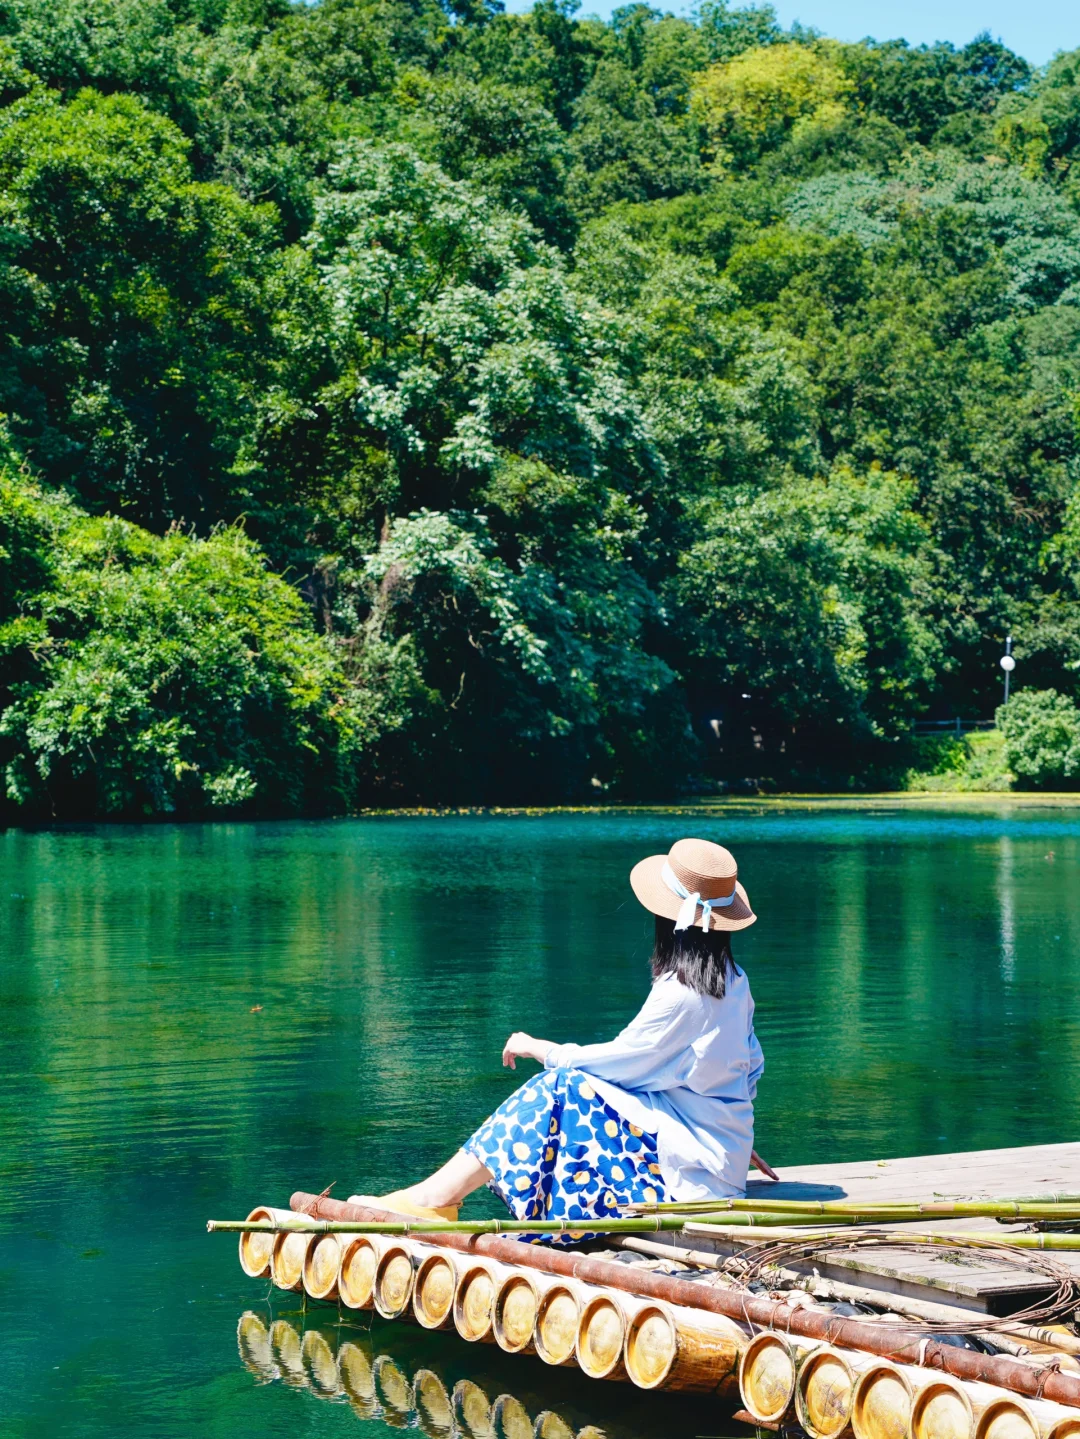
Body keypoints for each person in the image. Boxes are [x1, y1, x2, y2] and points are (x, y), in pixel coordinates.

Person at [351, 837, 775, 1235]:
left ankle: (434, 1199)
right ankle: (437, 1197)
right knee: (572, 1088)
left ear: (668, 917)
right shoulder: (734, 981)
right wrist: (724, 1129)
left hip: (692, 1183)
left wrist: (540, 1048)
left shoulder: (686, 993)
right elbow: (746, 1070)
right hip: (713, 1160)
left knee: (560, 1086)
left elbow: (622, 1063)